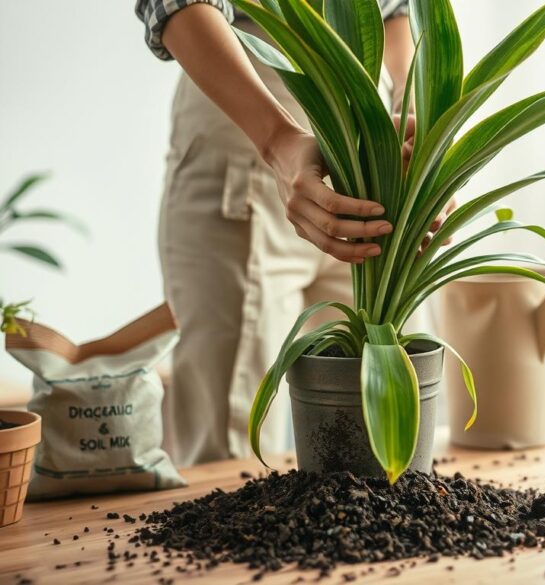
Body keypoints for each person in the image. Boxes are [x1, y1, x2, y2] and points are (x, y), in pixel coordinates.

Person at [135, 0, 446, 466]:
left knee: (392, 418)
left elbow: (395, 11)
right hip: (251, 122)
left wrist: (409, 117)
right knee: (229, 440)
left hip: (373, 148)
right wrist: (279, 141)